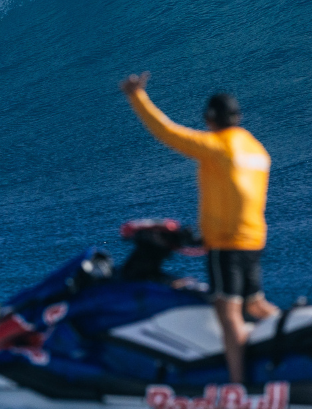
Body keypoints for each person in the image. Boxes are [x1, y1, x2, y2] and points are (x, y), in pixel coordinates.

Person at [119, 72, 278, 384]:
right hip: (255, 238)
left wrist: (136, 96)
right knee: (255, 304)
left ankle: (239, 384)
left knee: (228, 310)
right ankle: (302, 332)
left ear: (210, 118)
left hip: (227, 243)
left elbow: (167, 131)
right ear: (238, 117)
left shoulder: (217, 146)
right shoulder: (257, 150)